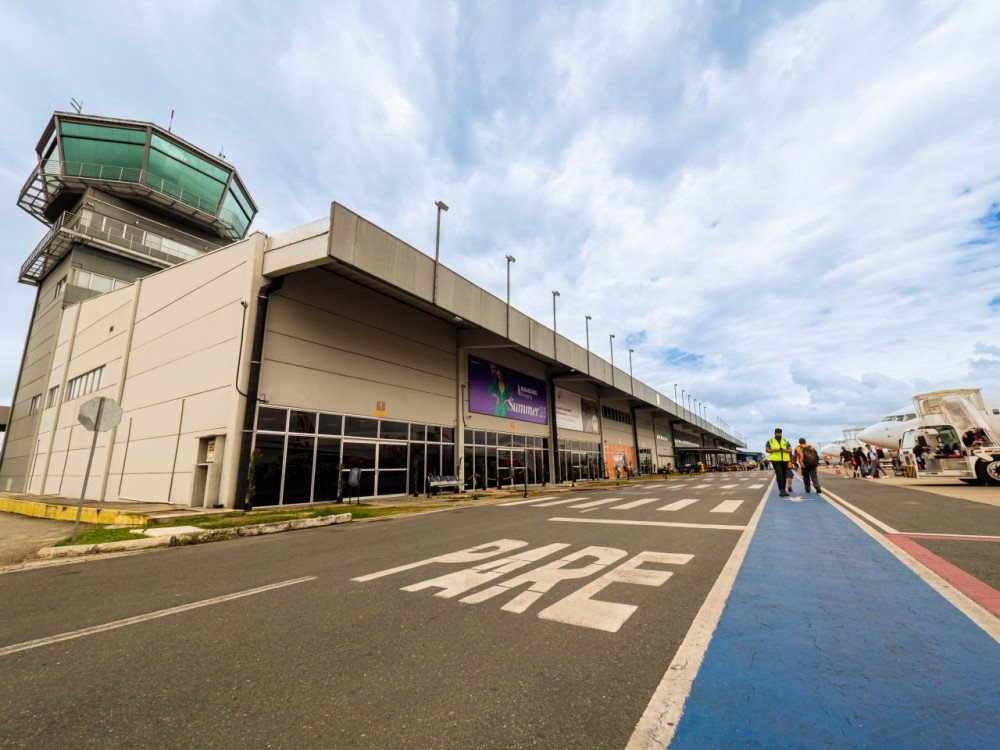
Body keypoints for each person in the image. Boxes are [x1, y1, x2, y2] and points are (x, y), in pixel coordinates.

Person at [765, 428, 793, 497]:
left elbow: (790, 450)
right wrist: (775, 450)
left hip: (785, 460)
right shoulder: (770, 441)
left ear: (781, 433)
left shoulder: (785, 441)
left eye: (780, 433)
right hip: (775, 460)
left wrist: (784, 450)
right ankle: (781, 491)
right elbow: (767, 450)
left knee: (784, 475)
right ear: (774, 433)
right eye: (777, 433)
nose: (778, 434)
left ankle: (783, 490)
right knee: (779, 474)